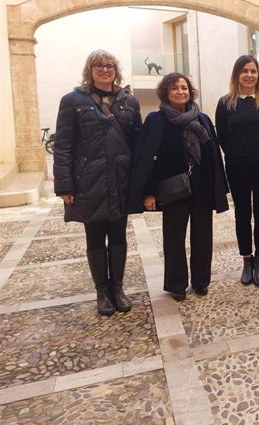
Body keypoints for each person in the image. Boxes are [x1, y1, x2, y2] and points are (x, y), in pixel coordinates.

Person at [53, 49, 142, 316]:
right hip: (88, 182)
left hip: (121, 179)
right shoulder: (72, 101)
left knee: (118, 235)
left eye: (109, 65)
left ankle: (117, 288)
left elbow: (137, 143)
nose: (105, 69)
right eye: (99, 66)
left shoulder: (129, 101)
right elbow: (64, 145)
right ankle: (101, 292)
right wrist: (65, 186)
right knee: (94, 235)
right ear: (90, 70)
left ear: (116, 70)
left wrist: (141, 181)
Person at [129, 73, 229, 301]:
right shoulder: (156, 120)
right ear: (166, 92)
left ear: (190, 91)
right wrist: (149, 192)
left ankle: (201, 281)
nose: (180, 91)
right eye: (175, 88)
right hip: (171, 188)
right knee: (174, 238)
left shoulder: (201, 119)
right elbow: (147, 158)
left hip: (201, 186)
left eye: (184, 87)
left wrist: (219, 187)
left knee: (203, 236)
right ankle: (176, 284)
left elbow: (213, 154)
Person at [215, 55, 259, 287]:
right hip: (237, 167)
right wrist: (238, 153)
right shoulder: (225, 103)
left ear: (258, 75)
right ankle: (247, 259)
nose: (249, 75)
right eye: (244, 71)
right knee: (242, 213)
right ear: (237, 74)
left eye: (253, 71)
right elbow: (221, 137)